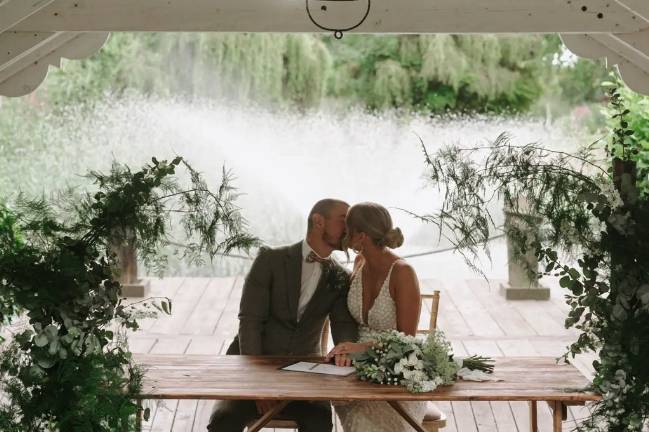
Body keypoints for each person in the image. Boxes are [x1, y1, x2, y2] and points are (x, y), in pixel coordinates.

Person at [208, 198, 359, 432]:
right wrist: (258, 384)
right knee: (224, 422)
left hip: (305, 372)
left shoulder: (339, 277)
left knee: (319, 423)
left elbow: (343, 326)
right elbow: (250, 322)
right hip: (250, 366)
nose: (349, 230)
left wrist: (346, 354)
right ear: (318, 221)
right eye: (343, 222)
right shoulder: (270, 260)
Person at [326, 202, 428, 432]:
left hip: (398, 371)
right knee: (346, 408)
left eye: (347, 229)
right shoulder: (359, 262)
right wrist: (345, 350)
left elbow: (407, 341)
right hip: (354, 372)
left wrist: (360, 348)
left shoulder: (402, 273)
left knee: (366, 425)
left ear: (360, 236)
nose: (343, 233)